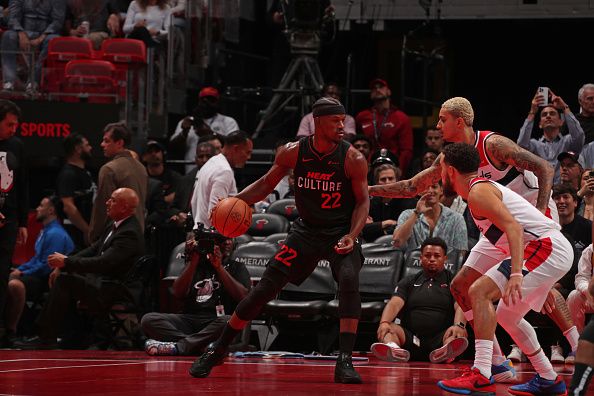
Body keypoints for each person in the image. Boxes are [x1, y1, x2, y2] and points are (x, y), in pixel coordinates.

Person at [369, 96, 561, 380]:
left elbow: (544, 168)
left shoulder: (493, 145)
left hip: (530, 222)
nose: (436, 125)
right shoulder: (451, 157)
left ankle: (570, 349)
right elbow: (413, 186)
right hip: (500, 228)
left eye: (442, 120)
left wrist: (542, 212)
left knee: (546, 295)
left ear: (459, 122)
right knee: (461, 286)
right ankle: (496, 363)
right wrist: (367, 190)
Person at [189, 97, 369, 384]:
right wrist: (236, 200)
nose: (342, 125)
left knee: (349, 278)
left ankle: (344, 360)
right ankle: (219, 348)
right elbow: (265, 184)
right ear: (318, 121)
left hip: (339, 231)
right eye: (335, 120)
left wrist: (352, 235)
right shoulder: (292, 153)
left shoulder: (352, 158)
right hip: (306, 231)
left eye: (343, 120)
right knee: (264, 288)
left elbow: (362, 202)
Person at [437, 142, 571, 396]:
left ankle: (482, 373)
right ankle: (548, 378)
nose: (440, 175)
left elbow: (515, 229)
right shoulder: (477, 192)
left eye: (441, 169)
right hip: (546, 250)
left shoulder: (479, 192)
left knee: (479, 291)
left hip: (547, 247)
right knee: (507, 315)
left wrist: (517, 274)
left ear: (451, 171)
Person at [15, 188, 145, 349]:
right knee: (65, 279)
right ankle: (72, 335)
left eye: (113, 200)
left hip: (117, 289)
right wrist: (64, 264)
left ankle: (45, 336)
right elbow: (92, 250)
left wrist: (67, 262)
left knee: (64, 282)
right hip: (105, 284)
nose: (107, 202)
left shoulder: (129, 232)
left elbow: (103, 263)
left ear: (124, 207)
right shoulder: (115, 224)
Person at [142, 238, 250, 355]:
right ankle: (196, 345)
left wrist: (219, 267)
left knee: (229, 321)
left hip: (216, 322)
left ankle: (181, 346)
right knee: (148, 319)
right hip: (189, 319)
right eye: (223, 240)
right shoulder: (196, 264)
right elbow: (177, 293)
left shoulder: (237, 267)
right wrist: (192, 262)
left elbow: (243, 296)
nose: (228, 242)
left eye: (231, 239)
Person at [371, 237, 468, 363]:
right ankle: (393, 349)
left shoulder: (454, 282)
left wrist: (459, 325)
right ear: (421, 258)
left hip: (441, 338)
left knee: (456, 333)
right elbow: (394, 303)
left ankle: (446, 353)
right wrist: (384, 322)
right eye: (427, 255)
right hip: (412, 339)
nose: (432, 259)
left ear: (445, 259)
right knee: (390, 328)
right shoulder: (409, 281)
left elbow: (460, 305)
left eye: (437, 256)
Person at [4, 196, 73, 345]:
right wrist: (19, 269)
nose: (37, 209)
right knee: (9, 277)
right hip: (39, 274)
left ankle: (15, 329)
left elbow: (46, 265)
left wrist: (22, 273)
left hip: (49, 279)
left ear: (51, 210)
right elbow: (36, 259)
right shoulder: (45, 231)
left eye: (41, 206)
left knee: (14, 284)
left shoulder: (56, 234)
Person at [89, 122, 147, 242]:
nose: (102, 144)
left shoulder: (109, 169)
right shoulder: (141, 167)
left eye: (106, 141)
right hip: (138, 234)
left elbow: (103, 209)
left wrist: (94, 237)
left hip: (115, 237)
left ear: (119, 143)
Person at [0, 100, 28, 346]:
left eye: (15, 125)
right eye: (9, 124)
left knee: (2, 273)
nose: (13, 129)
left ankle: (4, 330)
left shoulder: (16, 145)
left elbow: (21, 184)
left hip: (7, 219)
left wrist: (22, 221)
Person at [517, 87, 584, 183]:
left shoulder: (567, 141)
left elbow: (579, 136)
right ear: (540, 124)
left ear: (561, 122)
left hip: (563, 192)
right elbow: (521, 147)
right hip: (540, 191)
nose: (548, 116)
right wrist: (532, 112)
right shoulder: (534, 145)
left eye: (552, 113)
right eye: (544, 114)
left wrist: (564, 107)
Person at [169, 87, 239, 173]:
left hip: (221, 173)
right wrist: (184, 132)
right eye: (203, 100)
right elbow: (172, 147)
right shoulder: (188, 121)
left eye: (211, 100)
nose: (206, 103)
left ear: (217, 102)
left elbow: (235, 146)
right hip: (193, 173)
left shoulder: (228, 121)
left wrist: (210, 134)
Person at [191, 131, 252, 228]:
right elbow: (216, 212)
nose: (249, 157)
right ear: (236, 149)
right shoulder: (224, 170)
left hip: (201, 231)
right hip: (212, 237)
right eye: (247, 152)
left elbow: (193, 202)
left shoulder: (211, 163)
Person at [1, 0, 65, 93]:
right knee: (8, 36)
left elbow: (57, 22)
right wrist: (21, 33)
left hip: (45, 34)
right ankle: (9, 81)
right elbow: (13, 18)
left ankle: (34, 81)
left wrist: (41, 38)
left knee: (53, 40)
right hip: (22, 30)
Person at [355, 78, 413, 175]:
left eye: (381, 87)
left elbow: (406, 150)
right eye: (374, 88)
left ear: (389, 91)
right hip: (367, 169)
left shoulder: (402, 118)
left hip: (392, 168)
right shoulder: (362, 117)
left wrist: (398, 171)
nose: (377, 89)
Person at [392, 182, 467, 255]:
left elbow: (460, 254)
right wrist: (416, 213)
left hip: (445, 265)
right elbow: (398, 242)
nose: (430, 191)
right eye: (425, 187)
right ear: (419, 192)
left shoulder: (456, 219)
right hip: (414, 265)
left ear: (441, 190)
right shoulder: (407, 215)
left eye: (434, 187)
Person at [56, 133, 96, 249]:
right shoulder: (68, 175)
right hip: (74, 234)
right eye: (87, 145)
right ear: (78, 149)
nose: (90, 148)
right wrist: (86, 230)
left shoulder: (86, 172)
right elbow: (68, 206)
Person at [361, 163, 415, 243]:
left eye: (390, 178)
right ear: (377, 183)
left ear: (397, 181)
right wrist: (385, 223)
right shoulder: (369, 203)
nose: (387, 182)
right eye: (383, 179)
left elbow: (406, 229)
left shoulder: (409, 202)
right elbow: (362, 229)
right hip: (372, 247)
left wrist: (376, 228)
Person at [169, 142, 216, 228]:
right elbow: (173, 207)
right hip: (187, 227)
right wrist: (179, 214)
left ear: (215, 158)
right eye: (201, 156)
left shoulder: (221, 178)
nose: (204, 160)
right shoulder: (185, 180)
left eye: (208, 156)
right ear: (195, 159)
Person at [568, 274, 594, 395]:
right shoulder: (588, 254)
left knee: (585, 345)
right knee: (584, 344)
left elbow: (592, 287)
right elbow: (583, 280)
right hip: (588, 298)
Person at [141, 140, 181, 205]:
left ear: (163, 154)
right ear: (143, 157)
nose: (154, 154)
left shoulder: (174, 177)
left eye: (157, 151)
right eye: (150, 152)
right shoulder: (141, 177)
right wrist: (164, 200)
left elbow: (179, 197)